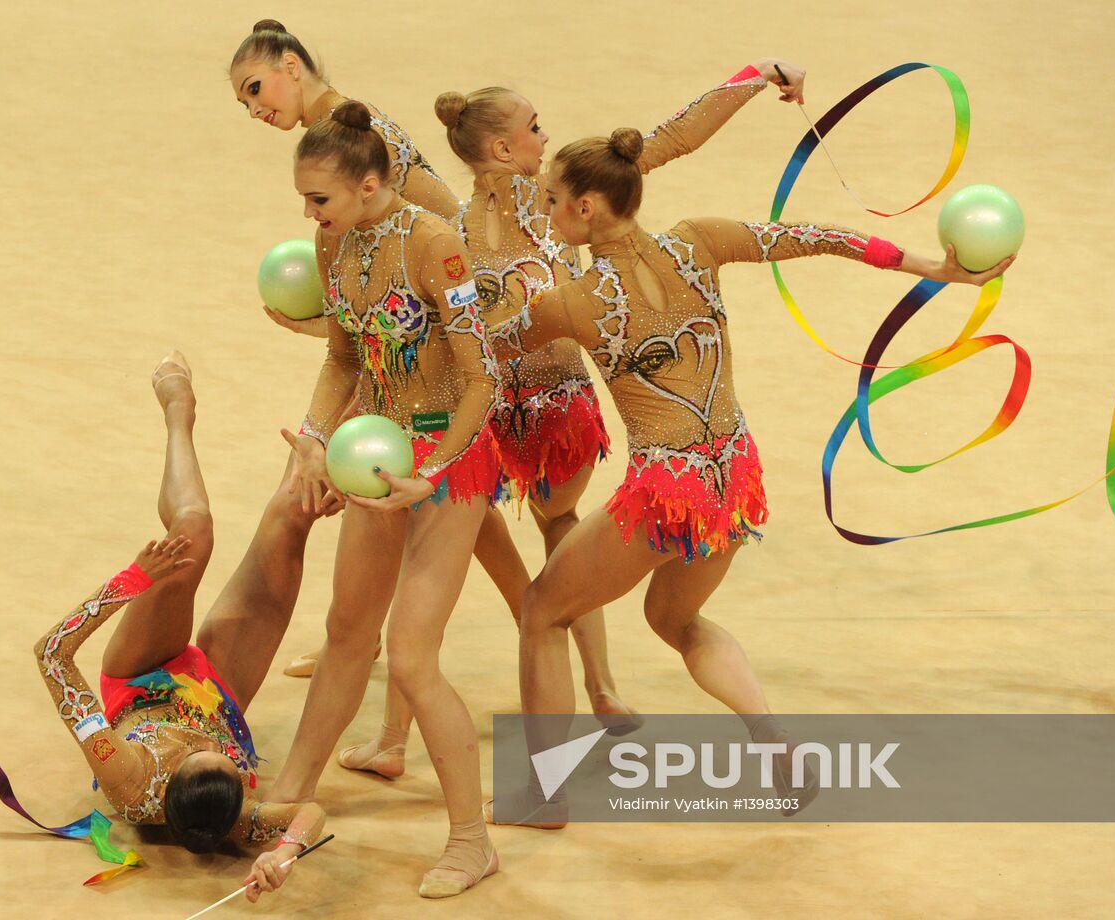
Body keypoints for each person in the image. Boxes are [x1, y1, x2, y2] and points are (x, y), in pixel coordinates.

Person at [486, 129, 1014, 824]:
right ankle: (772, 740)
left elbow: (484, 343)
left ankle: (543, 795)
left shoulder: (575, 302)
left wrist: (497, 294)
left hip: (665, 490)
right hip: (733, 476)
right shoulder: (696, 240)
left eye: (553, 203)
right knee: (674, 619)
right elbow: (815, 236)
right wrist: (931, 267)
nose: (547, 217)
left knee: (542, 610)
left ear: (587, 208)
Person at [335, 60, 808, 776]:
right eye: (533, 128)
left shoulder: (456, 215)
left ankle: (416, 737)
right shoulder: (556, 200)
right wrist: (758, 74)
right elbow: (672, 138)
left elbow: (395, 155)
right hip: (540, 407)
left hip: (508, 408)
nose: (544, 135)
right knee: (554, 542)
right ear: (501, 148)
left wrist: (330, 105)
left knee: (444, 553)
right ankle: (595, 690)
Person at [226, 18, 529, 683]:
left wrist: (412, 325)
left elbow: (441, 229)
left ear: (292, 65)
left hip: (438, 336)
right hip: (405, 328)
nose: (254, 108)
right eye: (243, 102)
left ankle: (364, 637)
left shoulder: (359, 136)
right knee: (453, 511)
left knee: (384, 484)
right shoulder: (335, 133)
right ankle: (525, 622)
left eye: (256, 87)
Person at [266, 101, 501, 898]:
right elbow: (342, 359)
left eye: (319, 199)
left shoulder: (439, 248)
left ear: (371, 186)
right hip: (377, 458)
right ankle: (290, 792)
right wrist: (311, 436)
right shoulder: (335, 248)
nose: (307, 214)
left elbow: (482, 380)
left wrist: (430, 474)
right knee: (344, 631)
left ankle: (472, 841)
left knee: (410, 655)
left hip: (449, 465)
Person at [34, 352, 323, 902]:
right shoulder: (241, 820)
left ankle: (177, 411)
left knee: (193, 534)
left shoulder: (129, 779)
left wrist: (131, 580)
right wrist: (285, 853)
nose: (204, 743)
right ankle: (346, 399)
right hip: (218, 693)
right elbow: (308, 812)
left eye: (198, 751)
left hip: (142, 675)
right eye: (227, 758)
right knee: (296, 516)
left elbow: (51, 656)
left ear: (167, 780)